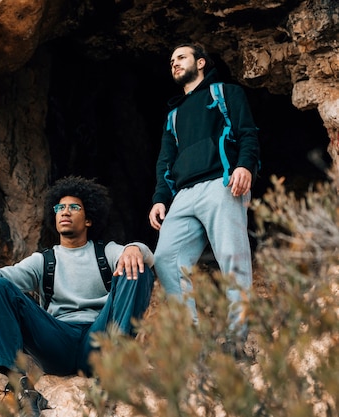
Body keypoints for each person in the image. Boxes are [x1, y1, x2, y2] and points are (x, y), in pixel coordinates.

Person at [0, 176, 155, 416]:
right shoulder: (44, 260)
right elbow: (6, 274)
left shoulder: (104, 252)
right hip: (57, 342)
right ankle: (21, 388)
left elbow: (145, 256)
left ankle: (113, 371)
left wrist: (134, 248)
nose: (65, 212)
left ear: (87, 220)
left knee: (136, 269)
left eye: (74, 207)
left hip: (99, 341)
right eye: (60, 207)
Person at [148, 43, 260, 353]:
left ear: (200, 63)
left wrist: (244, 166)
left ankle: (237, 341)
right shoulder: (173, 115)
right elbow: (165, 160)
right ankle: (192, 344)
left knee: (232, 259)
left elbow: (248, 132)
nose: (174, 63)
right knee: (166, 258)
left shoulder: (225, 93)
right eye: (171, 60)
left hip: (221, 183)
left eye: (181, 57)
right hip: (183, 194)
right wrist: (160, 198)